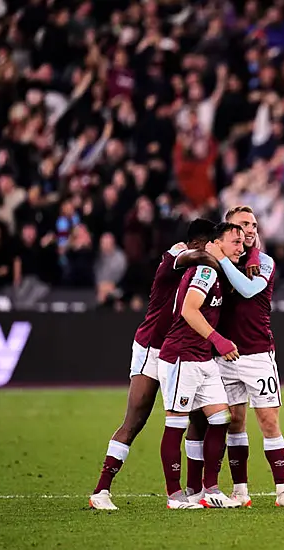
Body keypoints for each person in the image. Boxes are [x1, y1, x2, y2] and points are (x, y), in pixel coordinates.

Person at [89, 219, 219, 511]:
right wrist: (220, 257)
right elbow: (193, 255)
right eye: (215, 243)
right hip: (153, 348)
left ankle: (193, 490)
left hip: (183, 351)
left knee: (199, 420)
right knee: (135, 420)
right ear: (203, 243)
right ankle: (101, 490)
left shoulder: (205, 271)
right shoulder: (178, 256)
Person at [207, 205, 284, 508]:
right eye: (243, 224)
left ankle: (283, 491)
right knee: (234, 422)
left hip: (258, 353)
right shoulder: (217, 258)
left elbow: (248, 291)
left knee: (268, 420)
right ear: (228, 229)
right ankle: (240, 492)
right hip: (224, 355)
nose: (250, 229)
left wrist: (222, 259)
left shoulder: (263, 261)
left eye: (254, 225)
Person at [157, 222, 245, 510]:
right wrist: (219, 340)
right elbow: (188, 309)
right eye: (235, 242)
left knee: (221, 418)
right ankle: (175, 496)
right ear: (216, 243)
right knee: (176, 424)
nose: (240, 249)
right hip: (182, 356)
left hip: (202, 358)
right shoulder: (206, 271)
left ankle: (210, 489)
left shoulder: (217, 272)